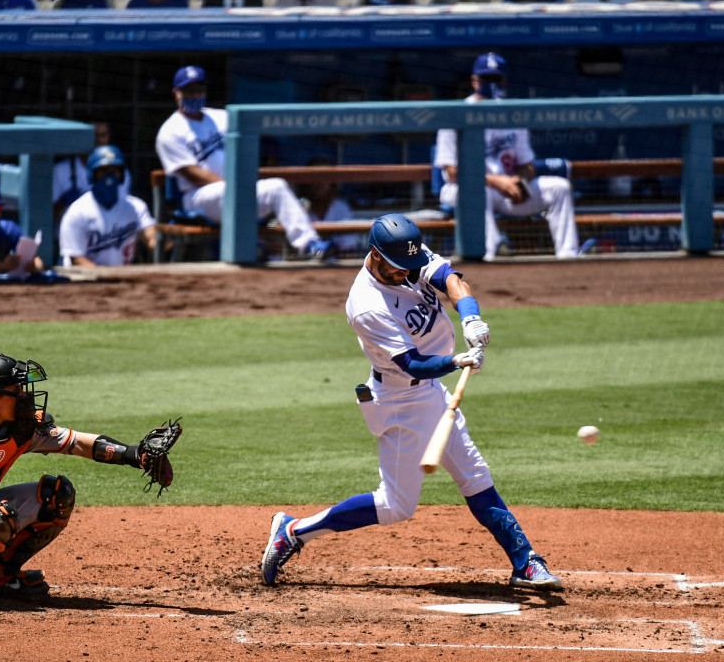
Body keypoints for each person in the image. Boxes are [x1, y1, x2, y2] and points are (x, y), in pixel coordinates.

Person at [258, 213, 561, 592]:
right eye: (400, 269)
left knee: (476, 477)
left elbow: (451, 279)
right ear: (376, 256)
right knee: (395, 506)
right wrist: (456, 361)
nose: (407, 274)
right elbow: (412, 363)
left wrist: (470, 318)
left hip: (430, 393)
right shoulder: (367, 306)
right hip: (399, 400)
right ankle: (294, 530)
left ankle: (526, 562)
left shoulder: (407, 255)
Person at [0, 354, 178, 609]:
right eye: (16, 389)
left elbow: (75, 443)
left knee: (55, 496)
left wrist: (134, 455)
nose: (25, 395)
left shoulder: (22, 427)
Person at [155, 65, 333, 260]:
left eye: (199, 89)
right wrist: (237, 187)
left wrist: (243, 185)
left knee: (277, 186)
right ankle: (263, 232)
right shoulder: (170, 131)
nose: (196, 95)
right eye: (189, 90)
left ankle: (309, 245)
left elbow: (246, 150)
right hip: (198, 197)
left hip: (234, 190)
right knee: (235, 193)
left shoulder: (221, 117)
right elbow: (193, 174)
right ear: (176, 93)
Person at [435, 53, 581, 259]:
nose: (490, 84)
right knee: (478, 192)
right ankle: (493, 252)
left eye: (495, 78)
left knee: (559, 188)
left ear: (504, 81)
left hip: (506, 190)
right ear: (474, 81)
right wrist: (496, 182)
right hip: (464, 190)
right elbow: (451, 173)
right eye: (485, 78)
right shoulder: (455, 115)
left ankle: (569, 256)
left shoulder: (512, 115)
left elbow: (526, 164)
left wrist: (518, 181)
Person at [59, 145, 155, 267]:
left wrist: (169, 239)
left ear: (121, 175)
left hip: (120, 278)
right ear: (92, 174)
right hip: (80, 280)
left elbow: (152, 240)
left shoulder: (136, 207)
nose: (109, 177)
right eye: (104, 171)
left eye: (114, 171)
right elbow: (77, 259)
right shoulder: (77, 211)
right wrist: (109, 278)